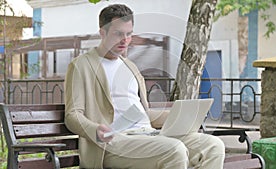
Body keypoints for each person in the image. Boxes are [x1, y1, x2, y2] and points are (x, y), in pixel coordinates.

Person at [64, 4, 225, 169]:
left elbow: (143, 113)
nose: (125, 40)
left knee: (213, 146)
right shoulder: (82, 65)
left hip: (148, 134)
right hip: (113, 142)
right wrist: (95, 129)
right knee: (174, 150)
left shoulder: (129, 66)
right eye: (118, 34)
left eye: (129, 34)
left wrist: (177, 116)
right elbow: (72, 115)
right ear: (102, 33)